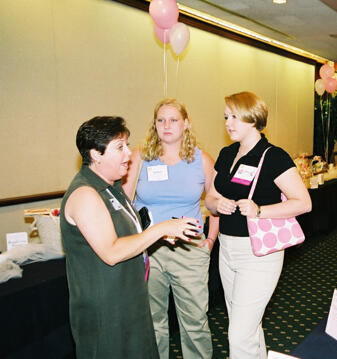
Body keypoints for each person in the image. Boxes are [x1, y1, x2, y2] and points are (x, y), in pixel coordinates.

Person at [60, 116, 199, 358]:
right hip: (106, 309)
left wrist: (155, 236)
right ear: (96, 154)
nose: (128, 154)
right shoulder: (85, 194)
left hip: (128, 298)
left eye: (127, 145)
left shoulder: (112, 186)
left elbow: (128, 234)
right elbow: (111, 252)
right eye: (119, 147)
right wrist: (161, 229)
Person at [205, 91, 312, 359]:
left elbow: (303, 203)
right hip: (226, 249)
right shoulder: (227, 153)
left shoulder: (274, 156)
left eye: (234, 117)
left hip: (259, 253)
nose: (228, 123)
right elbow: (210, 198)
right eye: (226, 117)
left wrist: (260, 210)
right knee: (246, 327)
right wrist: (218, 205)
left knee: (239, 333)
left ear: (253, 118)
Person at [123, 99, 219, 359]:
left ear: (186, 123)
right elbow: (124, 203)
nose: (166, 125)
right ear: (154, 124)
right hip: (149, 250)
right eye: (160, 120)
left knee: (195, 322)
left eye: (173, 119)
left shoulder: (202, 159)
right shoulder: (139, 157)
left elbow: (215, 202)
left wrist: (209, 240)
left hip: (189, 249)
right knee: (153, 322)